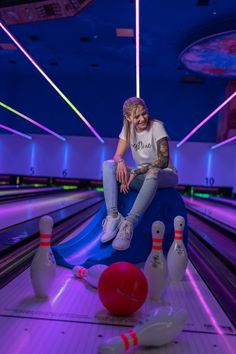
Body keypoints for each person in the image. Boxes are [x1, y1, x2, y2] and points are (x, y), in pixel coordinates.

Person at [101, 97, 178, 251]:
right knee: (108, 165)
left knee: (153, 171)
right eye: (137, 116)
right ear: (128, 118)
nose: (142, 118)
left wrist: (136, 171)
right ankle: (114, 216)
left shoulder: (157, 127)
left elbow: (163, 161)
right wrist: (121, 162)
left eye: (144, 113)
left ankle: (128, 224)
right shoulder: (127, 130)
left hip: (165, 174)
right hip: (144, 176)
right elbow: (117, 155)